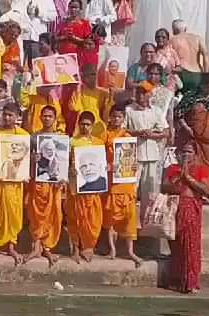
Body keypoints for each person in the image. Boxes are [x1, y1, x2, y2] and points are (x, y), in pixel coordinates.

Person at [163, 142, 209, 294]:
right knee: (177, 246)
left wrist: (188, 178)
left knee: (190, 246)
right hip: (176, 209)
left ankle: (191, 282)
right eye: (184, 152)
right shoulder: (173, 169)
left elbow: (205, 189)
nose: (186, 155)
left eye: (190, 152)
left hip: (192, 208)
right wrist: (179, 176)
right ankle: (177, 281)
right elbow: (165, 187)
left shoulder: (200, 169)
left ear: (195, 154)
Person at [0, 102, 28, 264]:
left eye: (11, 115)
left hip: (14, 183)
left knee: (14, 213)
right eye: (5, 115)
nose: (7, 118)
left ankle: (11, 246)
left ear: (17, 117)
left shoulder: (23, 135)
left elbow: (24, 158)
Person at [24, 106, 65, 266]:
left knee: (53, 214)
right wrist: (33, 159)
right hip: (38, 181)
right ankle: (35, 247)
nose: (47, 118)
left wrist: (62, 178)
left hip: (54, 184)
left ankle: (47, 247)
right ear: (40, 117)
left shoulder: (61, 139)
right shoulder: (34, 138)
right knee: (36, 214)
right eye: (44, 116)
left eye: (50, 116)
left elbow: (63, 162)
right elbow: (26, 160)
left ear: (55, 119)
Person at [104, 103, 144, 265]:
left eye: (119, 116)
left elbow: (133, 159)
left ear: (123, 119)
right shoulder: (106, 136)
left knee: (129, 219)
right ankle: (112, 249)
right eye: (113, 116)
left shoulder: (128, 137)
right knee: (111, 218)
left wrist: (133, 167)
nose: (116, 119)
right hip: (112, 181)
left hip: (126, 183)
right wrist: (107, 165)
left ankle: (130, 251)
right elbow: (100, 156)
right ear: (110, 117)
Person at [125, 84, 169, 217]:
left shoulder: (156, 111)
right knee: (131, 190)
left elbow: (166, 132)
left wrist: (153, 135)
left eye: (144, 93)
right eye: (138, 93)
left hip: (152, 155)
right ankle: (129, 223)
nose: (140, 96)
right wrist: (138, 133)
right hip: (133, 156)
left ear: (150, 95)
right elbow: (122, 129)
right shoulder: (129, 110)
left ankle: (145, 223)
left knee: (149, 192)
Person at [70, 111, 107, 263]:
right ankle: (76, 249)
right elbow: (64, 162)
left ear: (92, 126)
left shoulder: (99, 143)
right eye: (82, 124)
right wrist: (71, 168)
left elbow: (102, 164)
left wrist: (107, 167)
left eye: (88, 124)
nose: (85, 127)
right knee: (76, 217)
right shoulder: (72, 142)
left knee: (93, 218)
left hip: (93, 188)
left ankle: (89, 247)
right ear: (78, 125)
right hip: (76, 185)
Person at [174, 74, 209, 177]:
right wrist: (187, 128)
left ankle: (206, 188)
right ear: (201, 85)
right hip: (191, 138)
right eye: (207, 86)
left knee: (208, 170)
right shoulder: (190, 97)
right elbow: (178, 113)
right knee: (191, 167)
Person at [170, 20, 208, 93]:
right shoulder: (198, 38)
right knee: (196, 99)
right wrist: (206, 74)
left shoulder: (172, 40)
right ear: (185, 29)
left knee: (179, 101)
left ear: (175, 29)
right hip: (197, 73)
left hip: (180, 73)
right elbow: (205, 56)